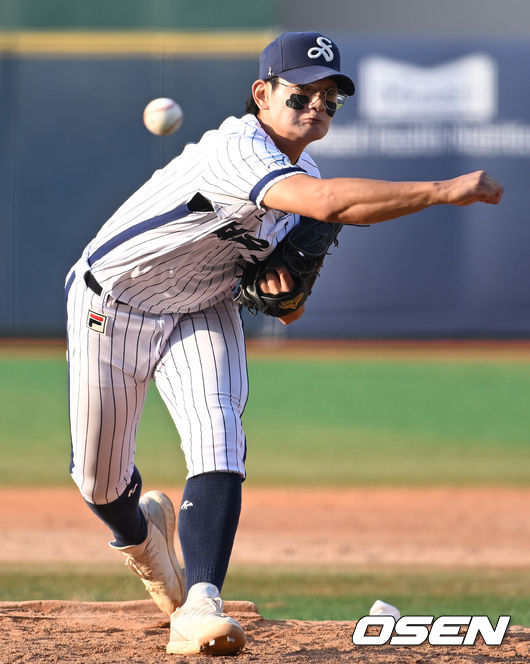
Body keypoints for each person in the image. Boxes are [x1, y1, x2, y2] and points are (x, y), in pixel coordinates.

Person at [64, 31, 503, 656]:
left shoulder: (305, 175)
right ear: (262, 93)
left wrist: (284, 291)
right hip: (113, 303)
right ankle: (144, 539)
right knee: (101, 482)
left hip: (200, 308)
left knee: (217, 434)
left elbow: (288, 309)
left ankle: (202, 602)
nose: (317, 106)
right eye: (303, 92)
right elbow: (328, 203)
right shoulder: (236, 149)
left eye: (331, 97)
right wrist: (440, 191)